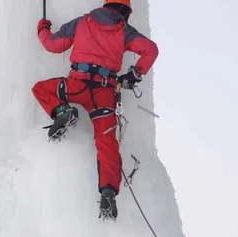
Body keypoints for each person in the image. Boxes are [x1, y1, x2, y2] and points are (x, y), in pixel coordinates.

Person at [32, 0, 159, 220]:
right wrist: (135, 74)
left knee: (41, 89)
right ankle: (108, 193)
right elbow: (151, 50)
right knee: (107, 143)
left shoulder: (82, 22)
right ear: (126, 11)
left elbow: (52, 45)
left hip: (76, 84)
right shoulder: (124, 31)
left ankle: (63, 112)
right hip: (103, 93)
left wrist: (43, 27)